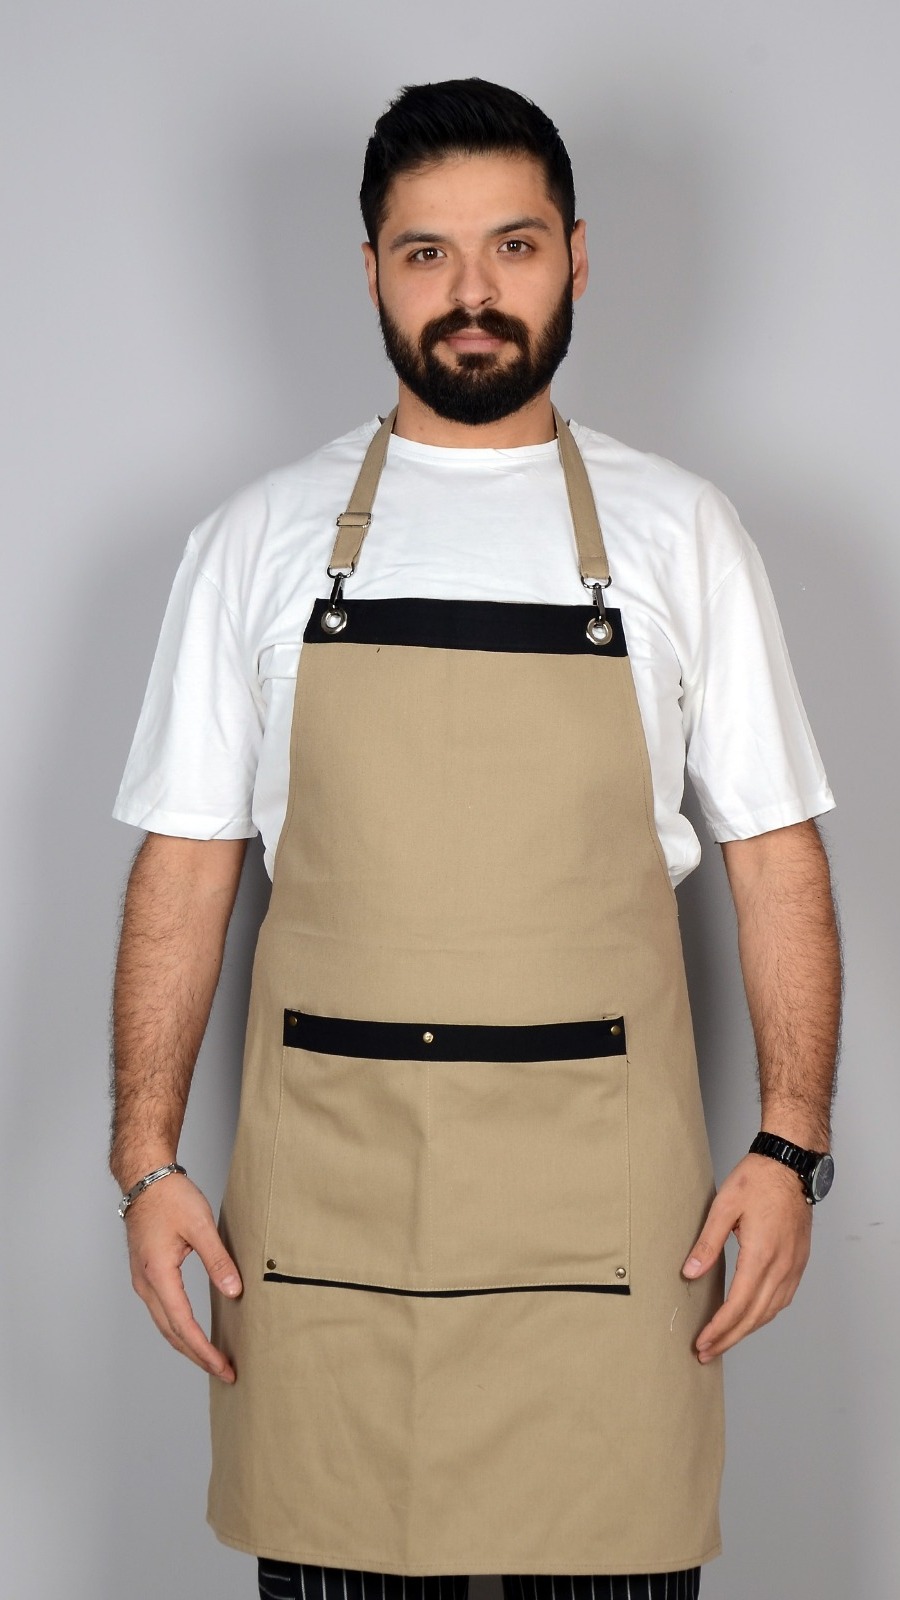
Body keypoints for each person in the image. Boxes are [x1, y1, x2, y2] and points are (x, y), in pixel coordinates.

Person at [109, 78, 841, 1600]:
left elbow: (775, 855)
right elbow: (185, 861)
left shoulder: (681, 533)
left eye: (513, 245)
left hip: (605, 1234)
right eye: (426, 252)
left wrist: (791, 1144)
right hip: (332, 1222)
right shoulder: (257, 540)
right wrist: (144, 1159)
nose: (473, 293)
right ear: (371, 272)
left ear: (576, 257)